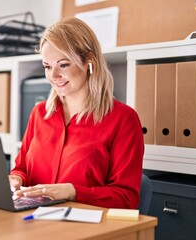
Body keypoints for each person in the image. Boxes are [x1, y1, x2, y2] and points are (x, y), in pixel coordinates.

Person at [9, 17, 144, 209]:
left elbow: (126, 198)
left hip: (85, 229)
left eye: (63, 65)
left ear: (89, 62)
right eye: (47, 67)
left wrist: (73, 191)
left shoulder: (123, 119)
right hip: (32, 221)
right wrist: (15, 179)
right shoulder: (39, 113)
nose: (53, 76)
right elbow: (21, 168)